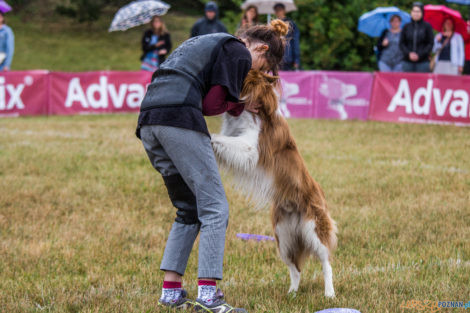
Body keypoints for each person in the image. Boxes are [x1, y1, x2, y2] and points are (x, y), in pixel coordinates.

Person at [136, 20, 289, 312]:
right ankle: (209, 296)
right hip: (179, 119)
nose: (255, 71)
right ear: (261, 48)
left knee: (189, 208)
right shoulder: (238, 51)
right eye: (263, 65)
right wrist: (242, 104)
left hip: (149, 122)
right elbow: (211, 104)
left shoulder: (203, 42)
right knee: (215, 208)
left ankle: (171, 293)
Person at [399, 2, 434, 73]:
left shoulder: (427, 26)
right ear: (411, 12)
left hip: (423, 62)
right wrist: (409, 54)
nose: (416, 13)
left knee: (421, 83)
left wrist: (420, 55)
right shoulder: (406, 26)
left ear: (422, 13)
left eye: (418, 11)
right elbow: (401, 43)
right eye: (414, 11)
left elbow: (430, 43)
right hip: (407, 62)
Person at [274, 3, 300, 70]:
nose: (278, 12)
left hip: (287, 58)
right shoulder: (273, 24)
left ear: (284, 11)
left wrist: (296, 59)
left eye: (280, 10)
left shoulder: (291, 24)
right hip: (275, 58)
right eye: (276, 10)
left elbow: (295, 41)